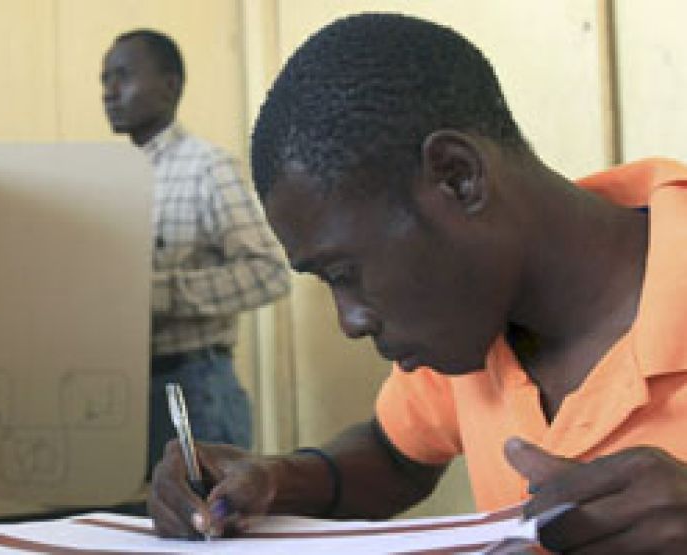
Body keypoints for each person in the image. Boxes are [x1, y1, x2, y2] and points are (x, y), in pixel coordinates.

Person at [148, 13, 687, 552]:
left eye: (345, 274)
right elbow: (394, 455)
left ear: (457, 176)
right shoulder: (475, 318)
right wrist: (273, 479)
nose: (351, 321)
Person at [100, 29, 291, 475]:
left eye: (123, 77)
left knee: (204, 536)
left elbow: (269, 272)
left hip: (194, 391)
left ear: (170, 85)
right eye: (104, 79)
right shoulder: (108, 177)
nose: (109, 92)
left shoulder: (208, 167)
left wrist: (161, 295)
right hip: (124, 395)